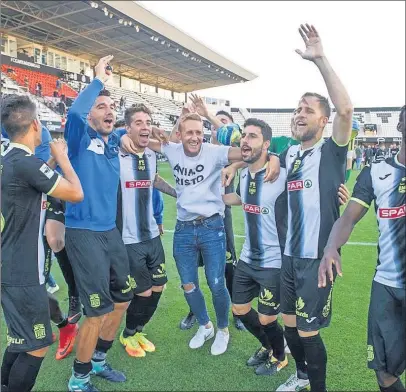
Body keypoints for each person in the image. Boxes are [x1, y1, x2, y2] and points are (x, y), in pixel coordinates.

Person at [121, 111, 279, 355]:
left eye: (198, 132)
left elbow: (251, 153)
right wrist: (124, 137)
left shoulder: (214, 152)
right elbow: (136, 141)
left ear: (203, 135)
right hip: (184, 230)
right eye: (189, 133)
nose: (194, 137)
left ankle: (223, 330)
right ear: (180, 135)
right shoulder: (171, 150)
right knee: (188, 285)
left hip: (212, 227)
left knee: (217, 284)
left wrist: (272, 157)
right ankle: (205, 325)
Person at [274, 24, 353, 392]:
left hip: (316, 260)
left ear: (323, 120)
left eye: (308, 110)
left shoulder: (331, 152)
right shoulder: (289, 154)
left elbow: (346, 108)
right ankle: (302, 376)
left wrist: (320, 59)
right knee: (288, 323)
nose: (299, 114)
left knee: (307, 330)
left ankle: (317, 386)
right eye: (297, 109)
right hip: (288, 257)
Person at [319, 105, 405, 392]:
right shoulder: (376, 172)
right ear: (401, 125)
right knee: (384, 373)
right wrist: (331, 247)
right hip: (388, 286)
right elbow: (348, 217)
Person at [1, 94, 83, 392]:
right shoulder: (25, 164)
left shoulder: (9, 161)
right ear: (36, 124)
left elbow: (31, 181)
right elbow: (75, 193)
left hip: (9, 265)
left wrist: (48, 162)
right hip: (24, 272)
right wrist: (61, 159)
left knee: (18, 340)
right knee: (37, 345)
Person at [64, 55, 133, 392]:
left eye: (112, 106)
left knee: (123, 299)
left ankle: (99, 360)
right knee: (95, 312)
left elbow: (121, 130)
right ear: (91, 111)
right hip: (84, 234)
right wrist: (97, 81)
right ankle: (79, 379)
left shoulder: (110, 143)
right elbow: (76, 113)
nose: (109, 111)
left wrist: (120, 133)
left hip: (110, 233)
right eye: (102, 106)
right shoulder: (77, 138)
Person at [223, 118, 289, 375]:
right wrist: (204, 196)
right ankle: (268, 344)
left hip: (273, 261)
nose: (245, 141)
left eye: (253, 136)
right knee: (239, 309)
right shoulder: (244, 174)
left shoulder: (280, 174)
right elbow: (238, 198)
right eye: (244, 136)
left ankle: (280, 355)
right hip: (248, 258)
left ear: (267, 144)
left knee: (267, 318)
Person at [116, 104, 176, 358]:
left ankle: (139, 329)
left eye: (148, 121)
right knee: (143, 291)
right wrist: (120, 135)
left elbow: (154, 180)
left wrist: (178, 193)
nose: (145, 126)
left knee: (159, 286)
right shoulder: (115, 152)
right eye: (138, 122)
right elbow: (95, 133)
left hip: (151, 234)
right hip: (128, 238)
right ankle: (127, 333)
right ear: (128, 127)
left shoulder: (150, 154)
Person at [182, 99, 246, 331]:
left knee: (228, 266)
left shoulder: (232, 154)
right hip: (194, 219)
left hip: (221, 217)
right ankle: (195, 310)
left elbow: (246, 154)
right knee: (193, 268)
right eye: (216, 126)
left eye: (224, 125)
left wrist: (209, 115)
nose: (219, 128)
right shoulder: (200, 149)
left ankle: (236, 311)